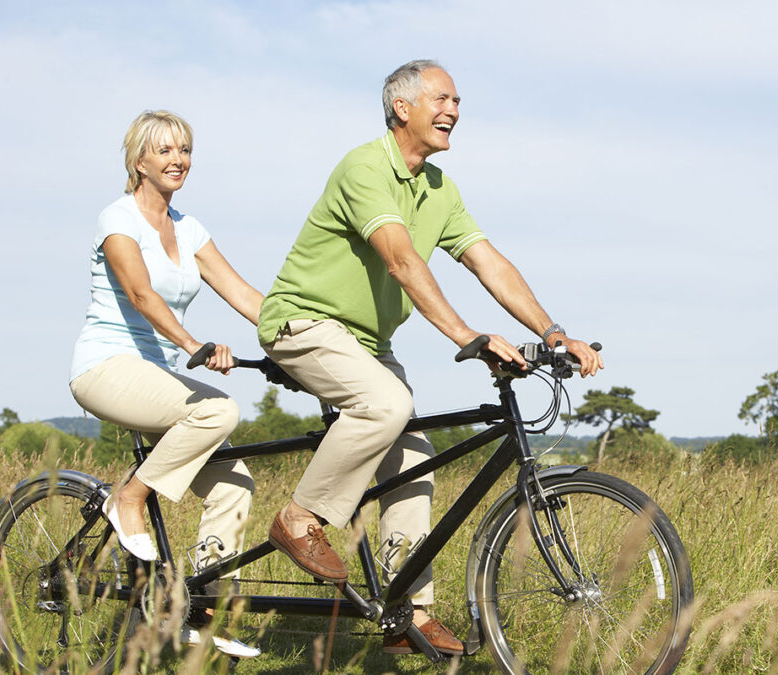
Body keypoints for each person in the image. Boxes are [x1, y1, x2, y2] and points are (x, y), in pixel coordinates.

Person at [257, 59, 604, 656]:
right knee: (386, 404)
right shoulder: (365, 166)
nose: (454, 111)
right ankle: (299, 518)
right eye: (442, 99)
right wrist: (467, 335)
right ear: (403, 108)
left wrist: (552, 332)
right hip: (304, 322)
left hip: (369, 343)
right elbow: (400, 259)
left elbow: (487, 262)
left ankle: (405, 614)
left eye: (458, 101)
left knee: (415, 456)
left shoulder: (439, 189)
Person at [69, 110, 263, 659]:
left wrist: (300, 338)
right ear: (138, 161)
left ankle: (197, 613)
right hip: (105, 366)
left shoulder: (190, 228)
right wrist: (194, 343)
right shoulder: (117, 218)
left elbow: (245, 295)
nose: (178, 159)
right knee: (218, 410)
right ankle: (128, 499)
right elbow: (140, 295)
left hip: (156, 374)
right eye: (164, 150)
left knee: (234, 486)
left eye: (184, 150)